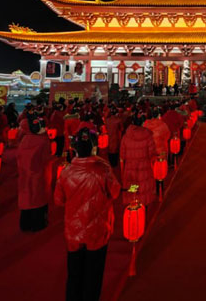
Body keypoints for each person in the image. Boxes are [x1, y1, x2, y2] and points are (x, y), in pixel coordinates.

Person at [55, 128, 121, 301]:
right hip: (97, 229)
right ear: (94, 147)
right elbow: (115, 192)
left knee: (74, 271)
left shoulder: (66, 172)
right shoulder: (102, 169)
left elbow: (58, 200)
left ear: (75, 149)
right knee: (94, 272)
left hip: (74, 229)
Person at [16, 115, 53, 232]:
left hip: (24, 173)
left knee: (26, 197)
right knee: (38, 198)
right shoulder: (43, 141)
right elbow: (46, 159)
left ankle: (25, 224)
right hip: (39, 174)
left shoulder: (25, 139)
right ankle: (38, 224)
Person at [120, 113, 157, 205]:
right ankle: (144, 207)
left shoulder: (126, 136)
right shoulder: (147, 135)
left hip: (130, 169)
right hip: (144, 167)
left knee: (132, 189)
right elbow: (152, 153)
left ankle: (134, 205)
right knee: (144, 189)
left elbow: (122, 155)